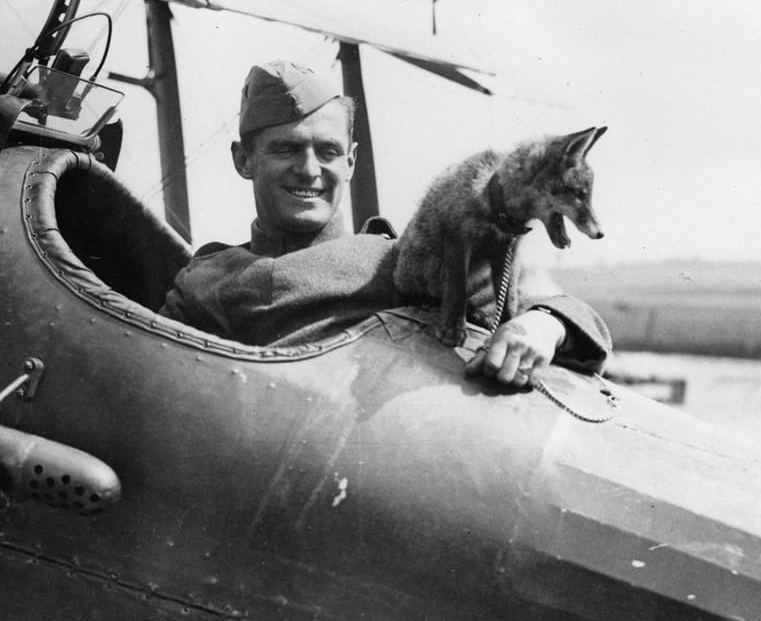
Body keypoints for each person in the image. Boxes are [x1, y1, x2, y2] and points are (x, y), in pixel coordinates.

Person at [160, 60, 612, 388]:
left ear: (352, 161)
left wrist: (543, 325)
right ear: (243, 160)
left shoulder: (394, 261)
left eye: (329, 152)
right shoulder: (206, 281)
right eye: (285, 150)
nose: (310, 169)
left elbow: (563, 312)